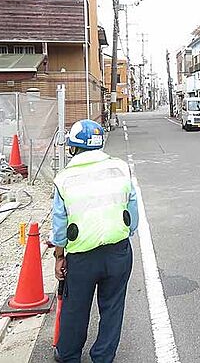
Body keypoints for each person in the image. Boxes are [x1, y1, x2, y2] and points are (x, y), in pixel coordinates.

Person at [52, 119, 138, 363]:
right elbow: (133, 215)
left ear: (73, 147)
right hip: (119, 252)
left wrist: (59, 256)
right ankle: (103, 356)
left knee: (75, 308)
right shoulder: (121, 168)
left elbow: (59, 227)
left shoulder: (64, 178)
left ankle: (68, 355)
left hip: (81, 257)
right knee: (112, 307)